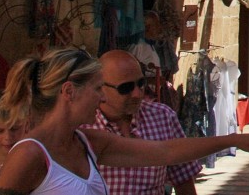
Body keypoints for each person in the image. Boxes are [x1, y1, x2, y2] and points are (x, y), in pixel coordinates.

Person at [0, 47, 249, 195]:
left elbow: (166, 152)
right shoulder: (30, 154)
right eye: (95, 89)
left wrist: (235, 140)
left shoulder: (88, 143)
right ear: (69, 92)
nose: (100, 99)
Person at [81, 50, 200, 195]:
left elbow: (183, 179)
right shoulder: (83, 126)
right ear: (100, 87)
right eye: (126, 88)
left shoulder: (162, 117)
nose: (137, 94)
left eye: (141, 83)